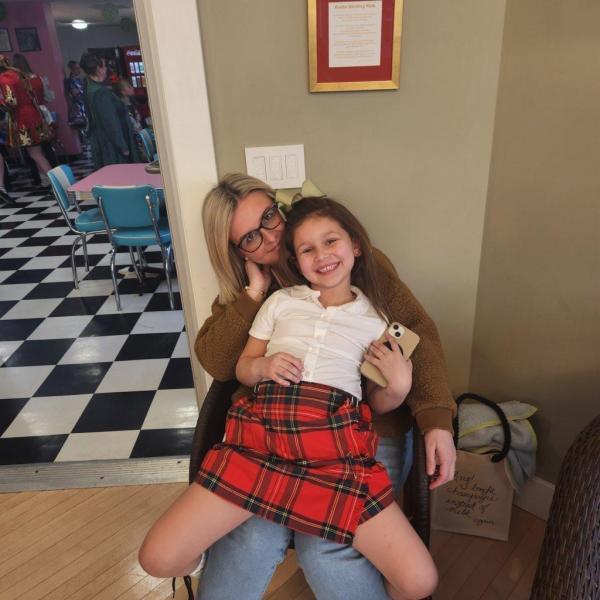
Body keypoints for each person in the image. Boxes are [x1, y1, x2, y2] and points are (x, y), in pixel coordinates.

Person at [140, 195, 440, 600]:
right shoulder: (277, 301)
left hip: (335, 449)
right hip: (260, 441)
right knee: (162, 557)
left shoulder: (376, 315)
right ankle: (220, 538)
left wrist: (405, 393)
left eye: (269, 217)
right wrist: (260, 346)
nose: (269, 235)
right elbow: (231, 364)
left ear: (355, 246)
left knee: (411, 578)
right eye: (250, 237)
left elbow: (378, 396)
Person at [80, 52, 140, 169]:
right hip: (112, 145)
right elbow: (111, 122)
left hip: (102, 140)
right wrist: (122, 146)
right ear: (99, 69)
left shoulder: (88, 85)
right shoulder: (101, 93)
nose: (106, 69)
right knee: (122, 174)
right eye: (104, 66)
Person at [0, 55, 53, 187]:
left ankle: (56, 184)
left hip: (23, 118)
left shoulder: (4, 78)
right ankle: (49, 183)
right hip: (32, 113)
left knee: (35, 154)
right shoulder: (17, 74)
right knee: (37, 153)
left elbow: (12, 102)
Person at [64, 60, 86, 128]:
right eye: (77, 68)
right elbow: (73, 93)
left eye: (79, 68)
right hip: (77, 109)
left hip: (84, 107)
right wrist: (82, 88)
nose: (79, 70)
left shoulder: (79, 80)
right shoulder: (69, 81)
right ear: (72, 70)